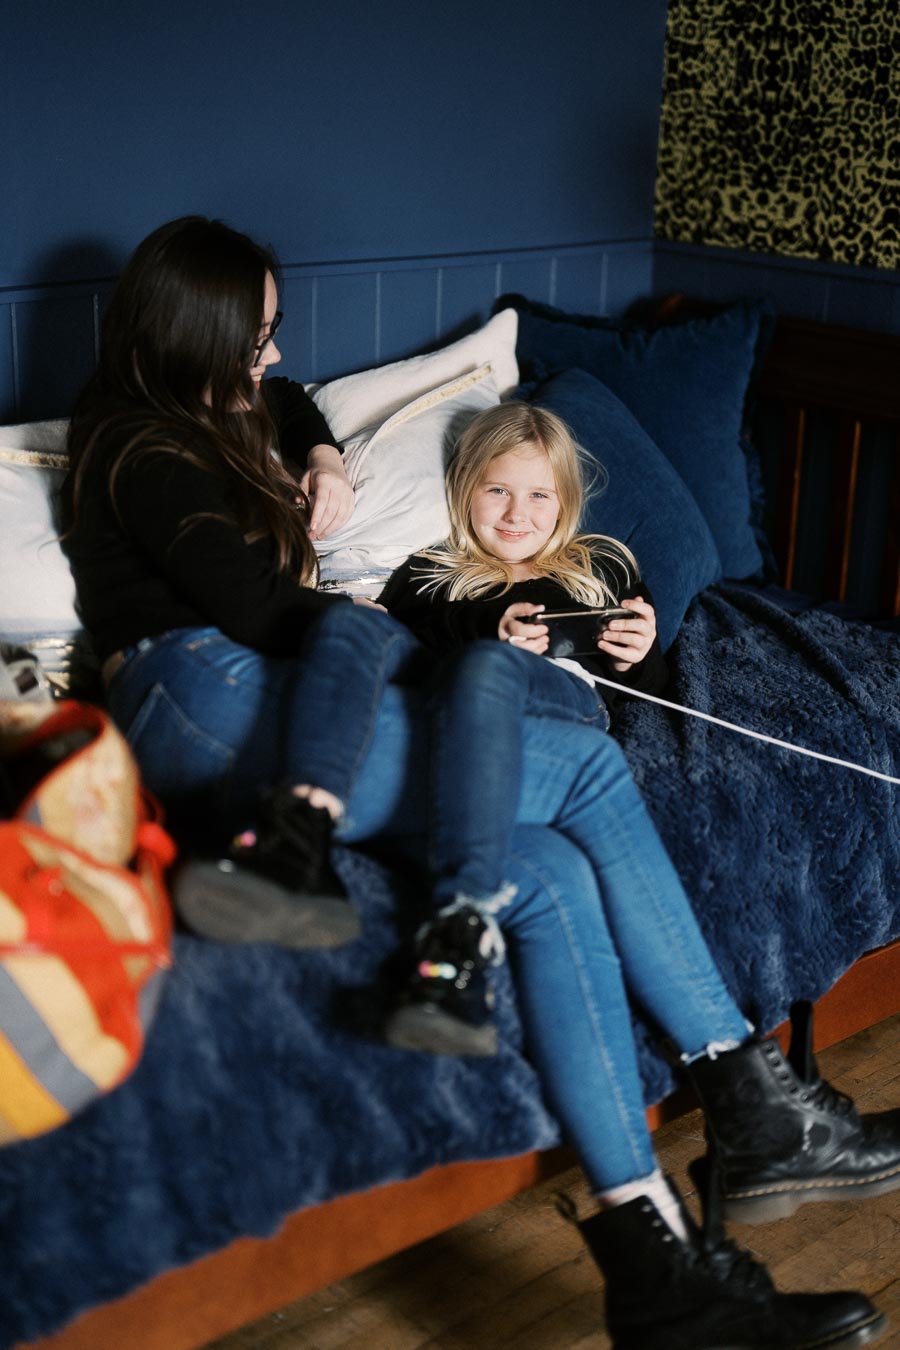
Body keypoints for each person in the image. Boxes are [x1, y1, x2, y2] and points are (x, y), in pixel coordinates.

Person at [58, 215, 897, 1349]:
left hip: (249, 686)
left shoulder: (213, 405)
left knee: (547, 874)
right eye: (253, 335)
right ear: (194, 333)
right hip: (202, 692)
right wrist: (388, 629)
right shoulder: (139, 443)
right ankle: (749, 1092)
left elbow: (295, 401)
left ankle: (659, 1269)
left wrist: (314, 455)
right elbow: (254, 609)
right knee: (592, 770)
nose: (268, 354)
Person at [377, 401, 669, 1055]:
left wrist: (641, 657)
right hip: (491, 728)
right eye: (498, 491)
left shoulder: (602, 567)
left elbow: (649, 699)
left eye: (539, 495)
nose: (517, 514)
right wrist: (492, 637)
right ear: (464, 490)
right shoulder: (433, 579)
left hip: (580, 719)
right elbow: (412, 667)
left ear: (564, 500)